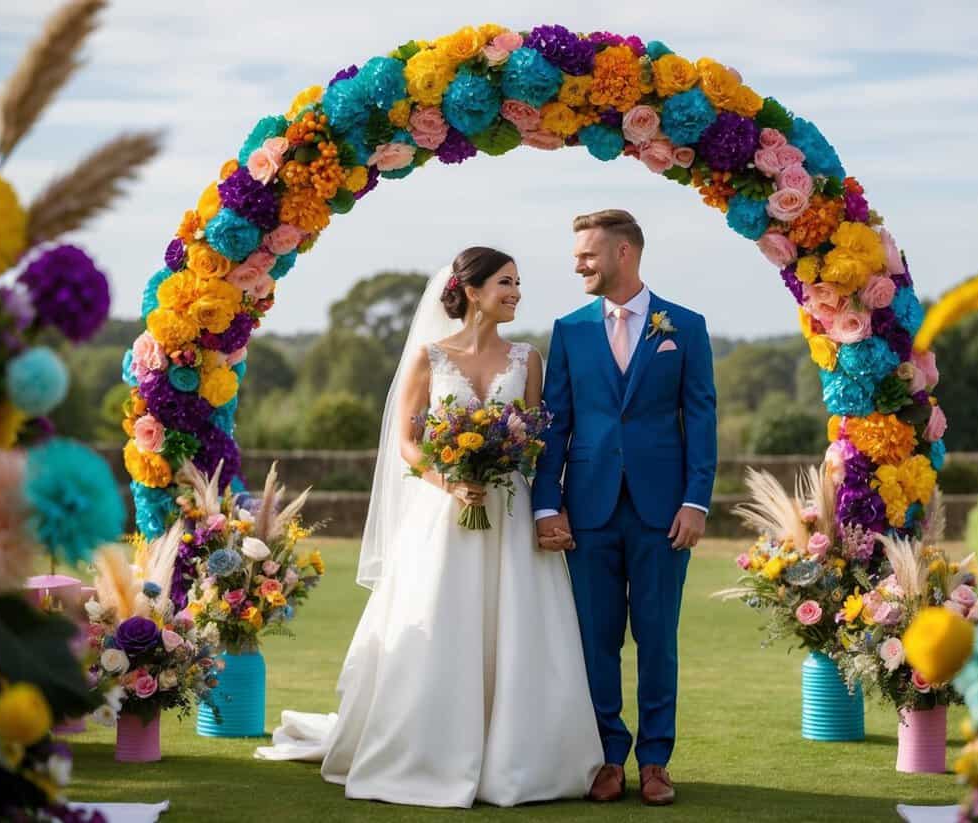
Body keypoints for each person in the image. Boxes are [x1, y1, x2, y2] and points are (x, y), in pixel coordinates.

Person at [255, 246, 603, 808]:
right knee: (446, 621)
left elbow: (535, 442)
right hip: (447, 513)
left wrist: (544, 506)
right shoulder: (430, 357)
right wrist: (452, 482)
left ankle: (522, 758)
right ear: (471, 290)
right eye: (505, 283)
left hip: (510, 515)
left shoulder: (528, 358)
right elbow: (408, 444)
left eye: (518, 284)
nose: (516, 292)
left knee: (520, 629)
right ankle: (429, 751)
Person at [533, 209, 718, 806]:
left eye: (588, 254)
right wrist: (545, 506)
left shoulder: (684, 327)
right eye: (577, 255)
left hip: (663, 511)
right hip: (587, 510)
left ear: (624, 254)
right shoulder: (569, 329)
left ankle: (656, 761)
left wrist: (696, 501)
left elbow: (702, 418)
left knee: (658, 638)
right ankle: (608, 757)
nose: (577, 264)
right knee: (596, 639)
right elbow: (553, 424)